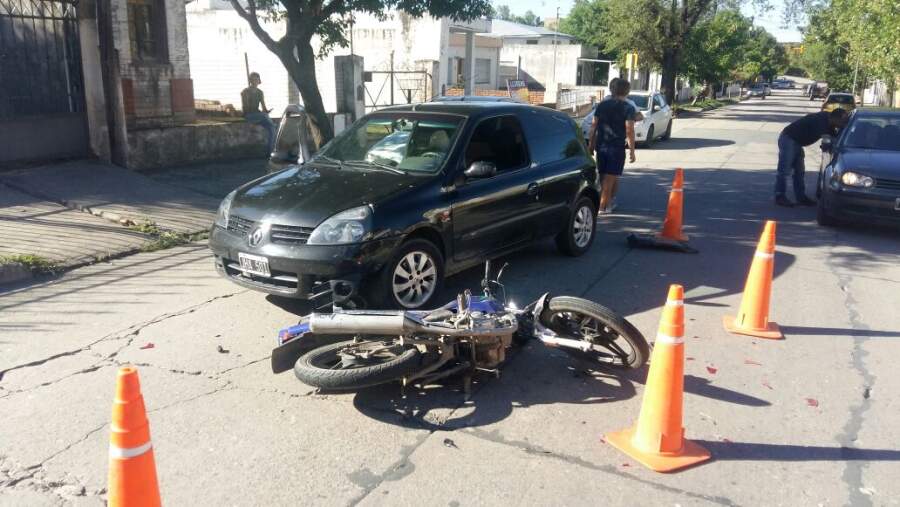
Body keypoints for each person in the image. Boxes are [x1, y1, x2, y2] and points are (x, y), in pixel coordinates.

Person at [774, 108, 848, 207]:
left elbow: (835, 136)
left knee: (799, 171)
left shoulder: (829, 122)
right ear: (835, 118)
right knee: (784, 169)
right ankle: (780, 196)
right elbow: (830, 138)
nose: (843, 124)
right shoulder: (822, 121)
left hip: (797, 142)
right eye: (842, 122)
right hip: (789, 139)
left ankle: (801, 197)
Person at [589, 78, 637, 215]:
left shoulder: (602, 105)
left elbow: (593, 126)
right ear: (627, 91)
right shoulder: (628, 108)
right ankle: (602, 207)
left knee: (606, 176)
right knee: (609, 178)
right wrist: (632, 151)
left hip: (601, 145)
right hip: (616, 147)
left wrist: (591, 145)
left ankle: (609, 202)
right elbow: (629, 130)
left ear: (612, 90)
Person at [241, 72, 276, 155]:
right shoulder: (245, 92)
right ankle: (272, 124)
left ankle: (270, 152)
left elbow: (264, 108)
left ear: (259, 81)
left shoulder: (260, 92)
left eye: (256, 79)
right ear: (250, 80)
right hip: (249, 116)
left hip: (259, 116)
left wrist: (267, 111)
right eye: (253, 79)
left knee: (272, 129)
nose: (255, 81)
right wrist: (263, 114)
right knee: (266, 118)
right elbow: (246, 108)